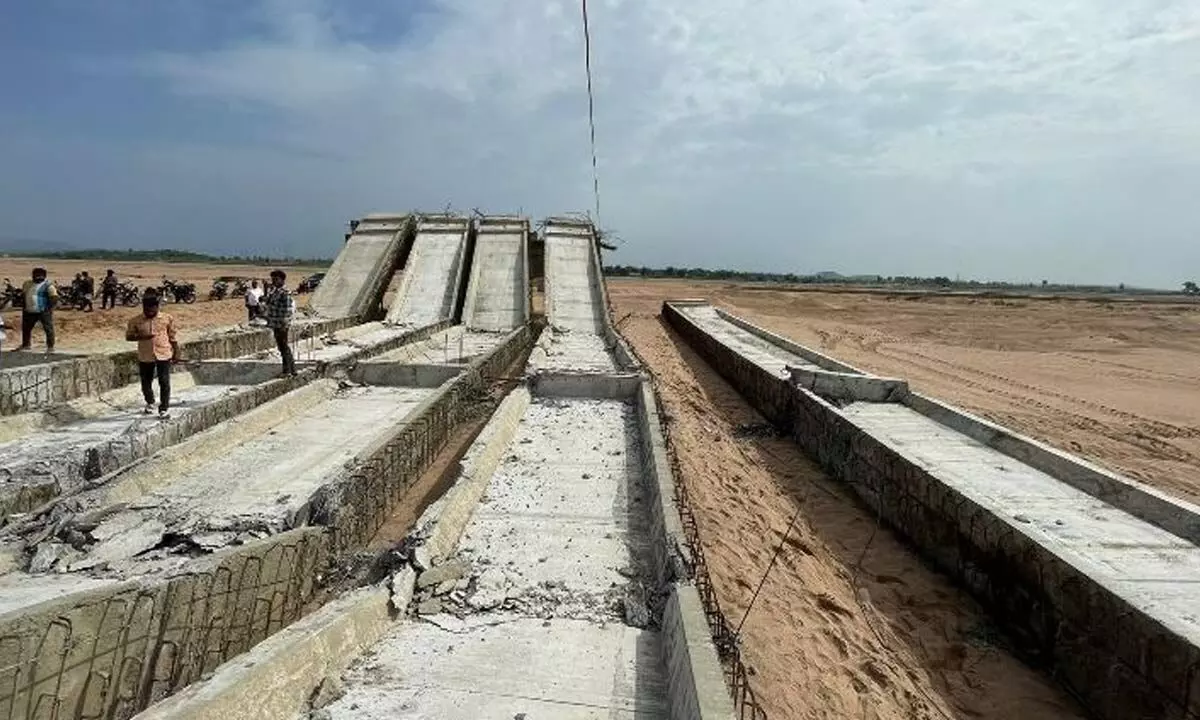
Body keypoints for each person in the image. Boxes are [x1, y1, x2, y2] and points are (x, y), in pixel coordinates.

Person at [125, 290, 179, 418]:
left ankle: (164, 408)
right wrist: (142, 336)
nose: (149, 312)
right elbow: (128, 337)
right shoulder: (135, 321)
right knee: (145, 382)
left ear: (157, 307)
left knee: (164, 381)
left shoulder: (167, 318)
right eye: (146, 310)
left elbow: (172, 337)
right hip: (145, 355)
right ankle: (150, 402)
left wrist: (176, 352)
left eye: (152, 310)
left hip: (164, 353)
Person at [263, 269, 296, 376]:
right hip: (275, 324)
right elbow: (267, 302)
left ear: (282, 280)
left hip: (281, 324)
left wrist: (284, 324)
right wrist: (266, 289)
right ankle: (292, 370)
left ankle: (287, 371)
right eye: (273, 279)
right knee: (282, 347)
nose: (273, 281)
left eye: (276, 279)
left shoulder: (285, 293)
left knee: (284, 347)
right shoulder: (275, 291)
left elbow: (288, 310)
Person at [20, 268, 57, 352]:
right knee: (26, 328)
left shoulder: (48, 285)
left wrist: (49, 308)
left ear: (44, 276)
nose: (37, 277)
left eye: (39, 275)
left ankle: (50, 347)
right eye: (35, 275)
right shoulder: (27, 284)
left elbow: (54, 298)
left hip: (43, 311)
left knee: (48, 329)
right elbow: (23, 295)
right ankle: (26, 345)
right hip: (29, 310)